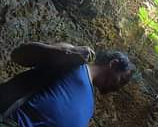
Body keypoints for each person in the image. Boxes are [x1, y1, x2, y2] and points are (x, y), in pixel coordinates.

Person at [0, 42, 136, 127]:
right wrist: (70, 52)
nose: (118, 88)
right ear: (114, 64)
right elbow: (19, 55)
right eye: (122, 80)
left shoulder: (90, 109)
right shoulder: (74, 60)